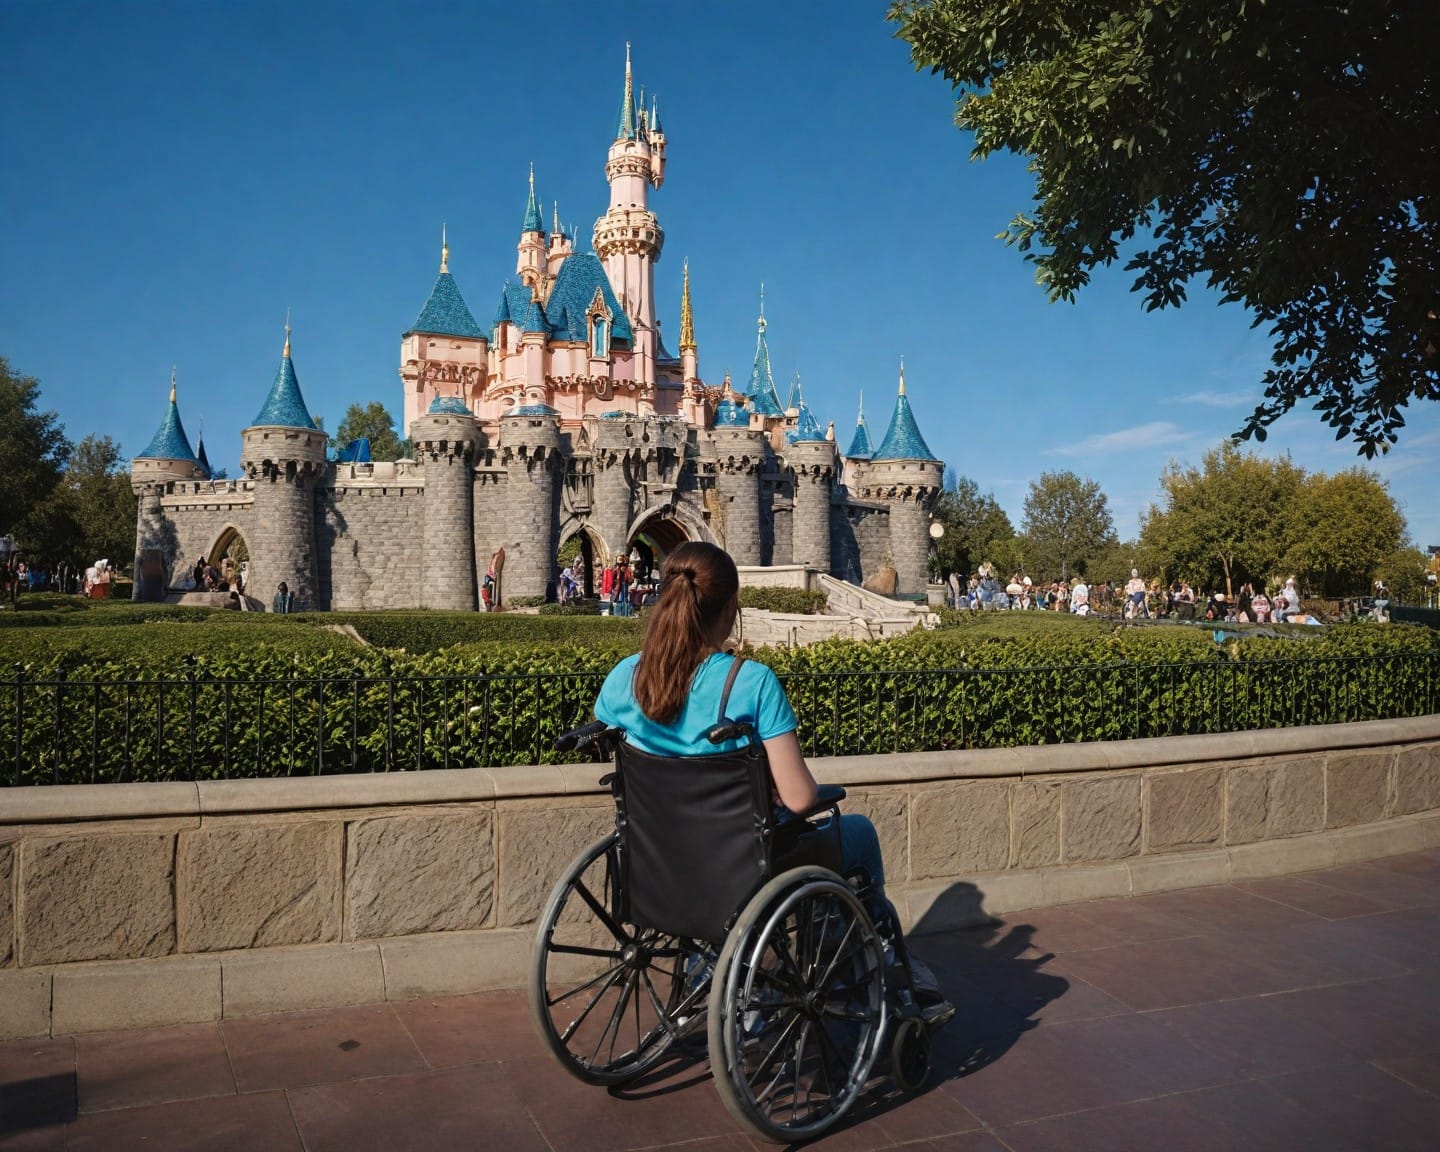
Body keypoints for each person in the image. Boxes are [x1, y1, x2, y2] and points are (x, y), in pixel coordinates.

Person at [592, 541, 948, 1014]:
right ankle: (867, 958)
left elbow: (616, 739)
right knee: (857, 833)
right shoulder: (752, 682)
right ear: (730, 609)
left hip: (656, 859)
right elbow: (801, 799)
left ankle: (716, 965)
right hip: (737, 867)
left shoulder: (624, 677)